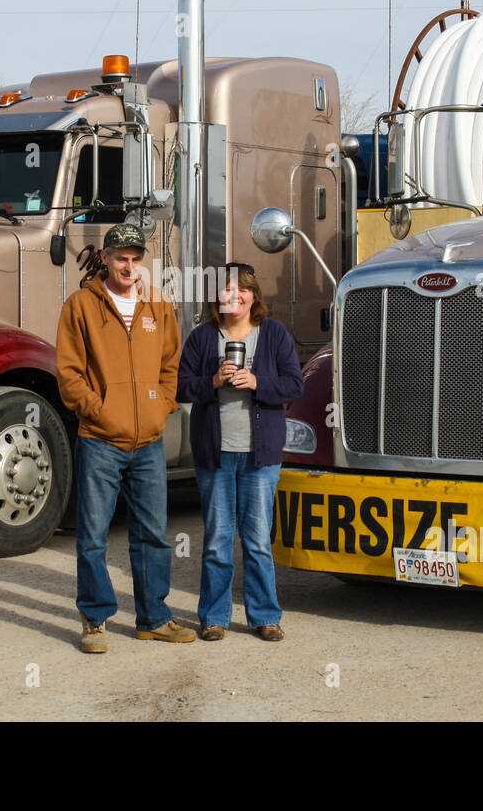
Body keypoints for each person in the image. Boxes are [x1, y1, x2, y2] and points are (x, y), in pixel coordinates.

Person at [56, 222, 196, 653]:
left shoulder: (159, 306)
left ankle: (153, 617)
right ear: (107, 259)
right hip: (100, 439)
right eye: (121, 258)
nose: (129, 266)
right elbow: (68, 373)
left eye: (136, 259)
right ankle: (95, 620)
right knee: (94, 535)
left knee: (153, 534)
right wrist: (97, 409)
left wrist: (161, 406)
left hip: (149, 440)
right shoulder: (80, 306)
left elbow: (171, 365)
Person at [176, 262, 304, 641]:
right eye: (227, 290)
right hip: (215, 454)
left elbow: (295, 384)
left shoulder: (274, 335)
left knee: (258, 540)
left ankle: (264, 615)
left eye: (242, 290)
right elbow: (181, 387)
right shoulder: (202, 338)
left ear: (253, 296)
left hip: (260, 456)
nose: (235, 296)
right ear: (217, 296)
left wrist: (258, 382)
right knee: (217, 540)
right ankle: (213, 616)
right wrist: (212, 381)